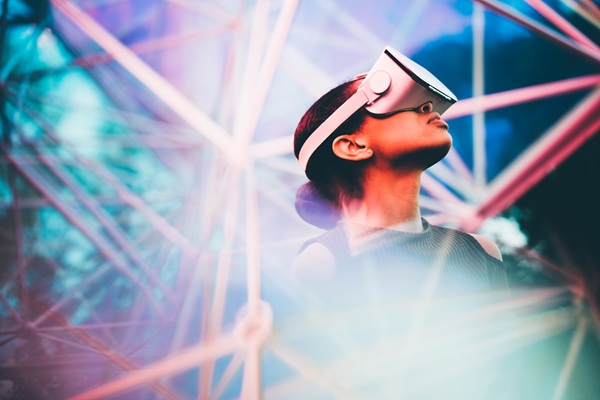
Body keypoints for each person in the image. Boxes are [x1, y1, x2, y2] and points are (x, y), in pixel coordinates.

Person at [283, 47, 512, 399]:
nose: (427, 107)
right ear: (352, 145)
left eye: (426, 102)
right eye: (394, 103)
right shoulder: (322, 263)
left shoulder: (482, 251)